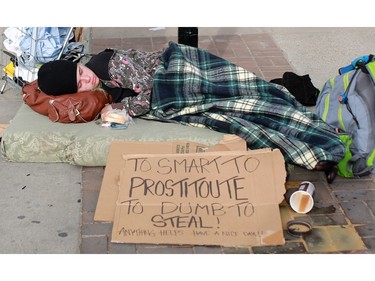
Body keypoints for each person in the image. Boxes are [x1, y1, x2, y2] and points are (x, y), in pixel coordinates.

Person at [37, 41, 345, 183]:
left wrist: (123, 107)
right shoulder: (94, 88)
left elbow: (150, 88)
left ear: (80, 65)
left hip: (181, 71)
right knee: (237, 119)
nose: (85, 79)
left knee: (255, 98)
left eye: (80, 73)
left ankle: (322, 139)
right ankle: (315, 156)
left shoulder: (104, 65)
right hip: (176, 95)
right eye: (78, 84)